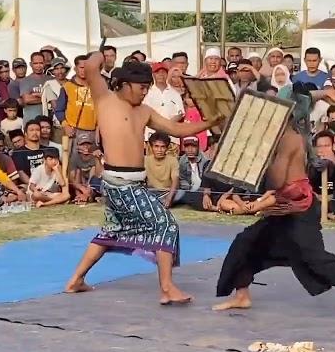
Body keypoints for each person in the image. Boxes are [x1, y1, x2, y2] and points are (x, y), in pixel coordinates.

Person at [212, 86, 335, 330]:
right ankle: (242, 295)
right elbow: (272, 188)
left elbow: (278, 184)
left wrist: (258, 169)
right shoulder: (276, 138)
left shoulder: (290, 139)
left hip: (299, 210)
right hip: (281, 210)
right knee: (246, 242)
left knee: (316, 259)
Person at [64, 54, 223, 306]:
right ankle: (167, 287)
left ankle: (75, 280)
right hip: (119, 183)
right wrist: (100, 54)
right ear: (124, 85)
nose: (144, 92)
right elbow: (93, 66)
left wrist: (209, 122)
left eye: (147, 88)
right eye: (141, 88)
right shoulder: (104, 99)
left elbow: (177, 130)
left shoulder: (145, 111)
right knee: (166, 224)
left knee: (111, 231)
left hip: (133, 182)